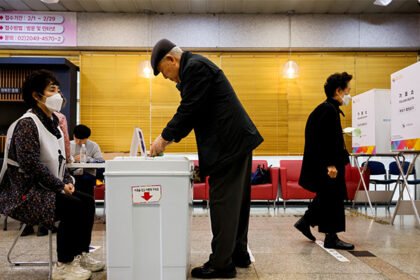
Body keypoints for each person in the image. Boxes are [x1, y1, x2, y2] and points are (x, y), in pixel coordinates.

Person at [149, 39, 263, 279]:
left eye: (164, 72)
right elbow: (195, 105)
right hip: (236, 142)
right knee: (237, 205)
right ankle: (238, 253)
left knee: (223, 205)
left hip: (228, 146)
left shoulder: (195, 68)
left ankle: (221, 263)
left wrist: (163, 139)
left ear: (171, 59)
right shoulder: (196, 67)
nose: (167, 79)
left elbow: (189, 110)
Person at [0, 70, 105, 280]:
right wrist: (59, 186)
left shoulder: (53, 123)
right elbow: (31, 165)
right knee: (73, 207)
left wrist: (67, 181)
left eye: (58, 89)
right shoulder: (27, 124)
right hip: (24, 194)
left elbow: (60, 160)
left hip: (45, 187)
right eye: (52, 90)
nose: (58, 94)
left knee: (86, 201)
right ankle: (64, 265)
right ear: (36, 96)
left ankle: (79, 254)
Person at [294, 72, 355, 250]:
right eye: (347, 90)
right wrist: (330, 164)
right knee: (333, 199)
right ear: (338, 91)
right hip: (329, 165)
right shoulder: (328, 110)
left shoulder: (327, 108)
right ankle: (331, 237)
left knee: (328, 197)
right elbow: (323, 140)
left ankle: (306, 222)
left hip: (329, 163)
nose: (348, 95)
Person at [70, 124, 104, 197]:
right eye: (76, 138)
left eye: (81, 140)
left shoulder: (93, 145)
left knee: (87, 183)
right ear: (73, 135)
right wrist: (73, 159)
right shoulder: (68, 145)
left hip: (88, 175)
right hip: (72, 174)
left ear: (87, 138)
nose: (78, 142)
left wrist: (87, 159)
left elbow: (101, 161)